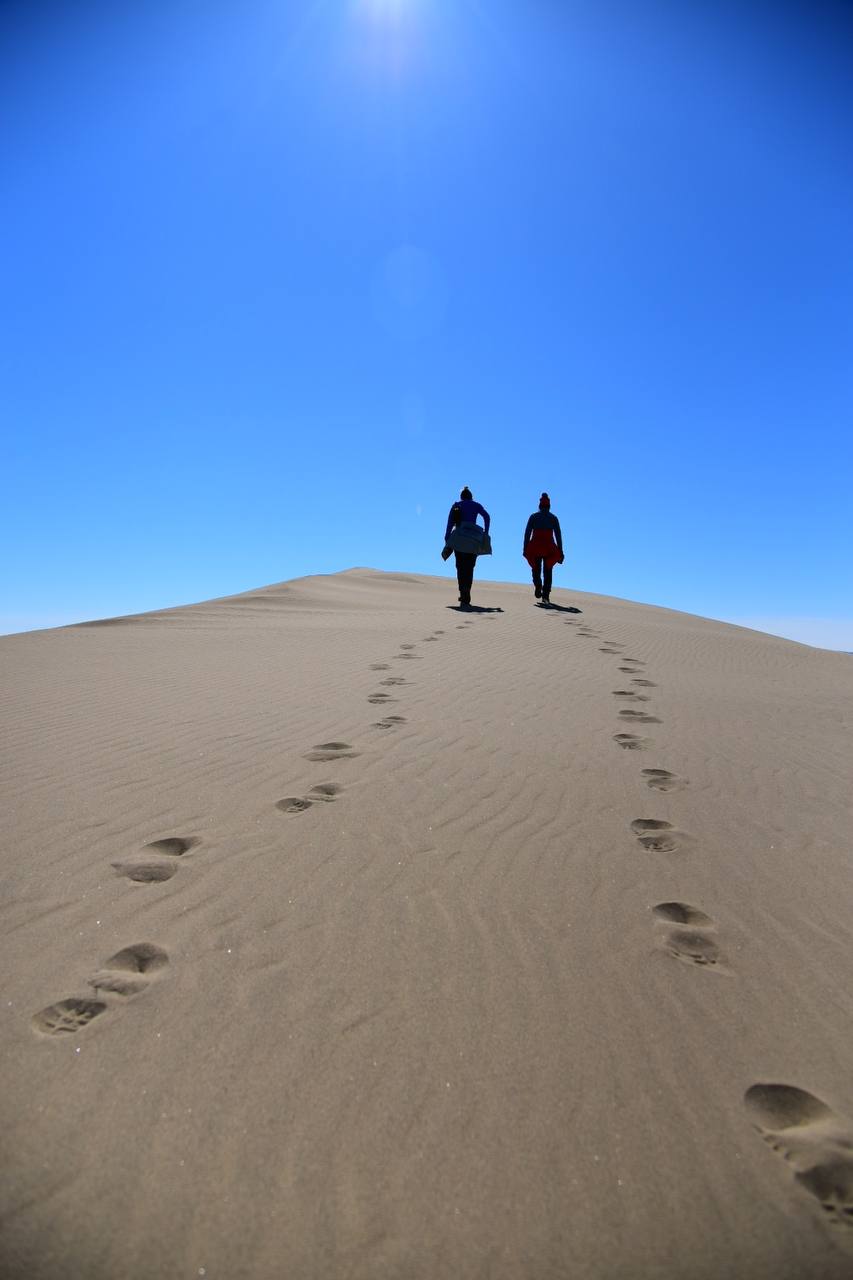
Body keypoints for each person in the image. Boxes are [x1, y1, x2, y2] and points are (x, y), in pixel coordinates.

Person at [444, 486, 490, 607]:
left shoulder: (456, 505)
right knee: (469, 567)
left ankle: (463, 593)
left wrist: (447, 538)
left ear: (461, 496)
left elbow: (450, 523)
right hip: (472, 540)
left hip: (459, 538)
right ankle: (467, 592)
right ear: (471, 496)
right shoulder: (476, 505)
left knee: (460, 566)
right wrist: (486, 532)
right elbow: (487, 516)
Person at [522, 492, 563, 604]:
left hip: (535, 546)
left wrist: (525, 547)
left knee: (536, 568)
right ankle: (546, 595)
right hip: (549, 547)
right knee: (548, 570)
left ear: (540, 505)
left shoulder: (534, 517)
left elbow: (527, 533)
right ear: (549, 506)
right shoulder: (553, 518)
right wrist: (560, 551)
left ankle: (538, 585)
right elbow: (558, 535)